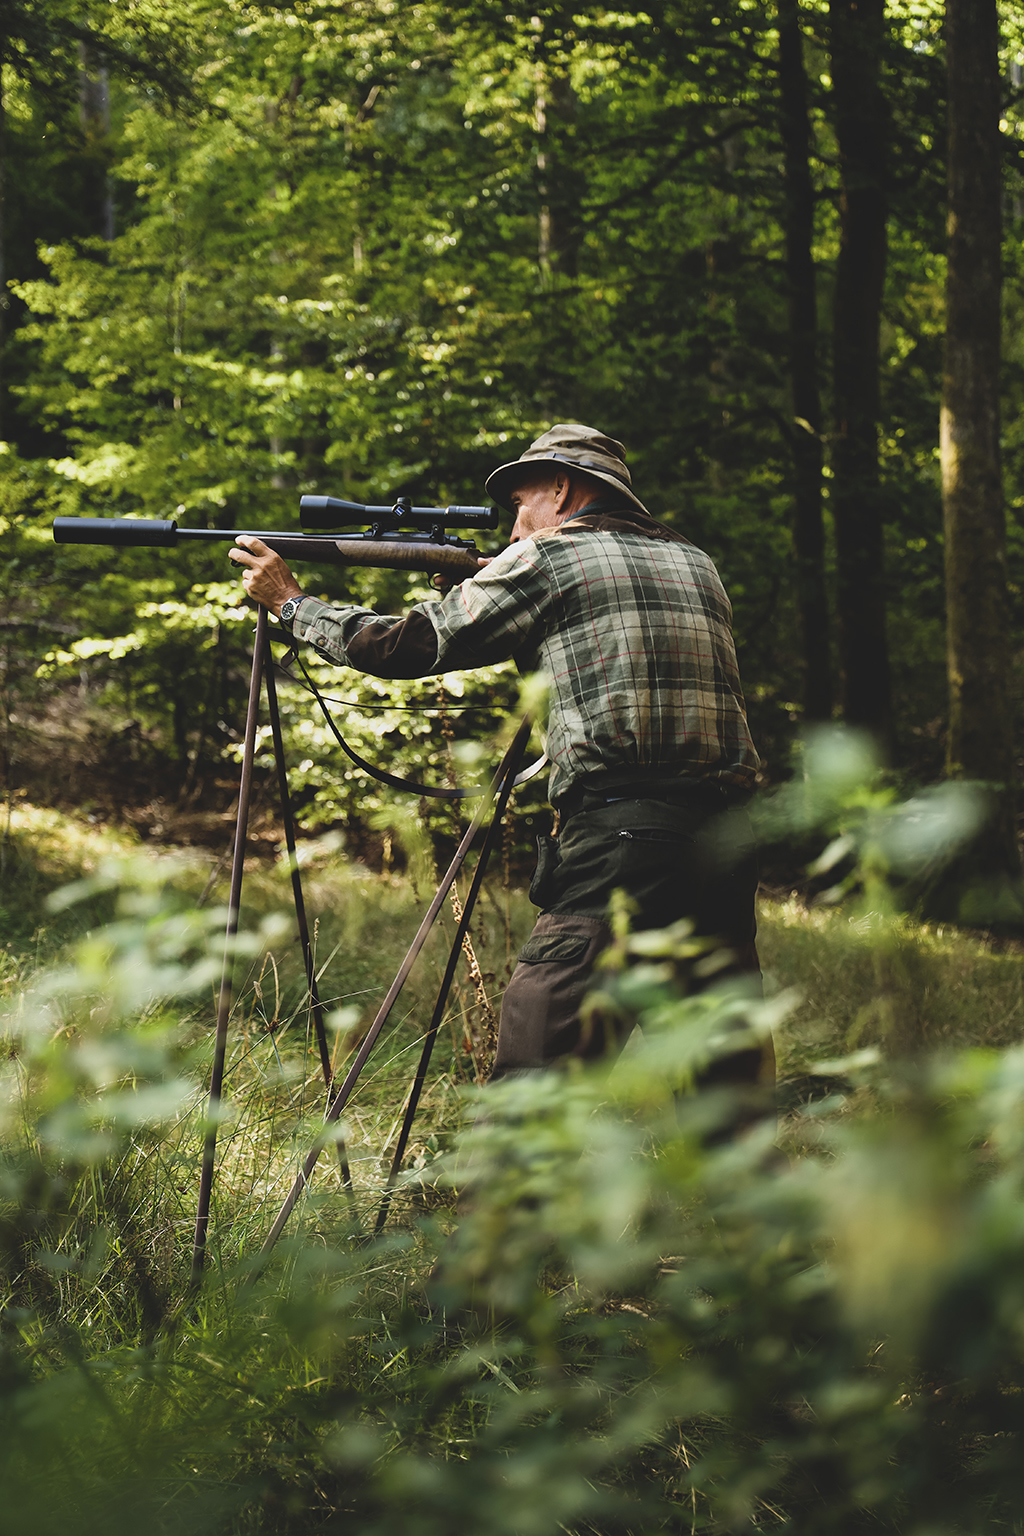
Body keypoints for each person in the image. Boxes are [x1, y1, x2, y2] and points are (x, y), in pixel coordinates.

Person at [229, 423, 770, 1100]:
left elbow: (401, 647)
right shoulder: (696, 562)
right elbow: (593, 659)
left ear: (563, 489)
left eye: (522, 506)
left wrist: (291, 604)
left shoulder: (550, 558)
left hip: (620, 844)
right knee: (729, 1099)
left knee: (533, 1088)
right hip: (725, 847)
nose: (516, 530)